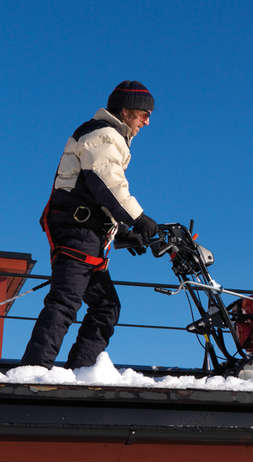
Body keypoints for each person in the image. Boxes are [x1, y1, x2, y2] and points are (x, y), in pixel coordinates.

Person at [21, 81, 159, 368]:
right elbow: (106, 184)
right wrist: (139, 218)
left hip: (84, 233)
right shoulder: (105, 135)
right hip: (75, 233)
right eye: (143, 114)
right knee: (65, 303)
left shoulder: (107, 137)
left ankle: (81, 371)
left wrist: (123, 235)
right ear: (125, 110)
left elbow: (92, 197)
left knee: (106, 306)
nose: (147, 121)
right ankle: (32, 372)